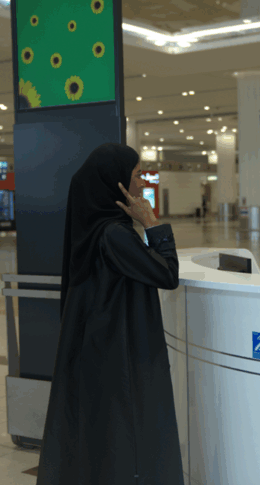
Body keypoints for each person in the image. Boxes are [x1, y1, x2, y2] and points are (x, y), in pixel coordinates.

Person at [37, 143, 184, 485]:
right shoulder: (115, 235)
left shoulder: (92, 228)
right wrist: (153, 225)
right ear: (115, 182)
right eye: (135, 175)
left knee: (99, 430)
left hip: (96, 346)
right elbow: (167, 275)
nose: (141, 182)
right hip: (117, 350)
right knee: (123, 429)